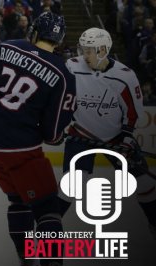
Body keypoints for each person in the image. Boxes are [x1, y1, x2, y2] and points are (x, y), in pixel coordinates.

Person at [0, 12, 76, 266]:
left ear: (34, 32)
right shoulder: (62, 74)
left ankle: (26, 259)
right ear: (58, 41)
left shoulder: (8, 46)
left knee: (18, 200)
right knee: (47, 205)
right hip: (19, 148)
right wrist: (56, 137)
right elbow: (53, 130)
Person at [58, 28, 156, 239]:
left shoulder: (124, 76)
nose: (85, 55)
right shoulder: (73, 67)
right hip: (81, 134)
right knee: (70, 186)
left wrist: (127, 137)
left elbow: (133, 113)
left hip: (115, 137)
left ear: (103, 50)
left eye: (90, 50)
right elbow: (61, 96)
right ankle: (47, 230)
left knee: (145, 183)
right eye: (83, 49)